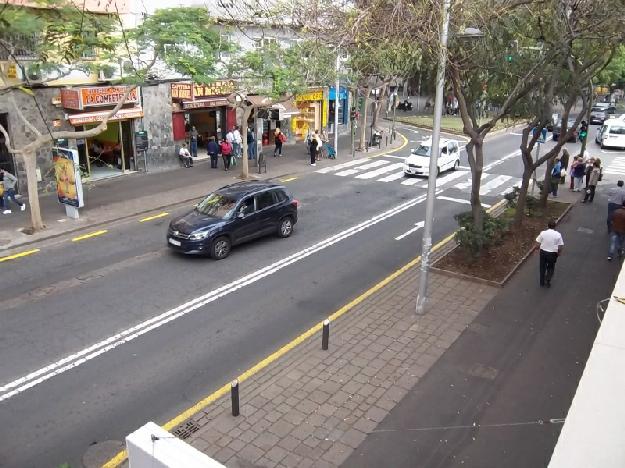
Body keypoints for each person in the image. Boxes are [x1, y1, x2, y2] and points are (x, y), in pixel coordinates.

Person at [536, 220, 564, 288]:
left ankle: (542, 282)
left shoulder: (543, 233)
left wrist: (537, 249)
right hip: (552, 253)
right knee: (551, 267)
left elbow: (538, 242)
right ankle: (548, 280)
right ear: (555, 226)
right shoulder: (558, 234)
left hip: (543, 252)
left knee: (542, 267)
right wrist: (559, 252)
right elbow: (560, 245)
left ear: (548, 226)